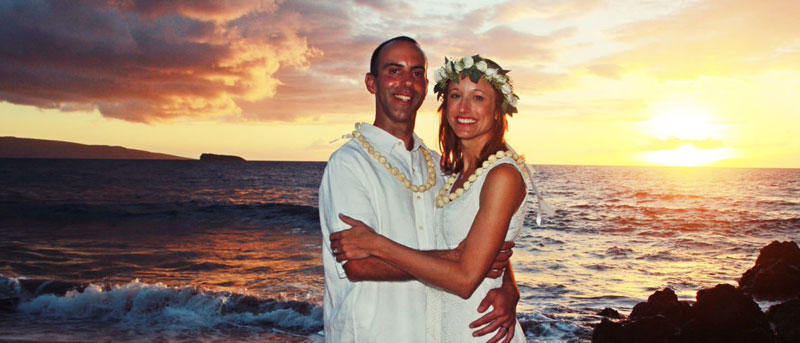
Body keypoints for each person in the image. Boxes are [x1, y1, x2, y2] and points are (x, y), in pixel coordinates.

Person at [319, 37, 521, 342]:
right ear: (371, 83)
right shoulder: (349, 165)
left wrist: (509, 286)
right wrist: (459, 260)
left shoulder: (439, 168)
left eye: (416, 73)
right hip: (373, 333)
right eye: (394, 71)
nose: (406, 83)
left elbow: (477, 238)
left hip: (433, 332)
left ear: (426, 87)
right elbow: (359, 265)